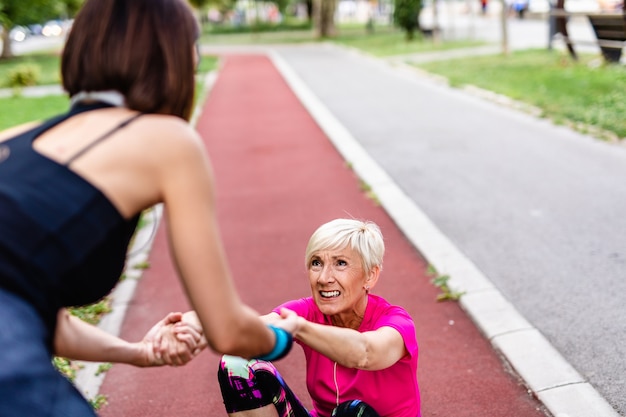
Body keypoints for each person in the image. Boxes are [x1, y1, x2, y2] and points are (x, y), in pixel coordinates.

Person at [0, 0, 296, 415]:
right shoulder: (168, 140)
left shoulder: (15, 138)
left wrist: (139, 353)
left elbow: (47, 320)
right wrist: (282, 335)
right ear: (172, 61)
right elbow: (226, 330)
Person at [183, 219, 421, 416]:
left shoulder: (396, 322)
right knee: (236, 363)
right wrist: (202, 323)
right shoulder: (305, 311)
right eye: (316, 263)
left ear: (370, 275)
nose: (324, 277)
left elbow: (366, 353)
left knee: (352, 412)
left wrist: (299, 328)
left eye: (340, 263)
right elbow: (254, 327)